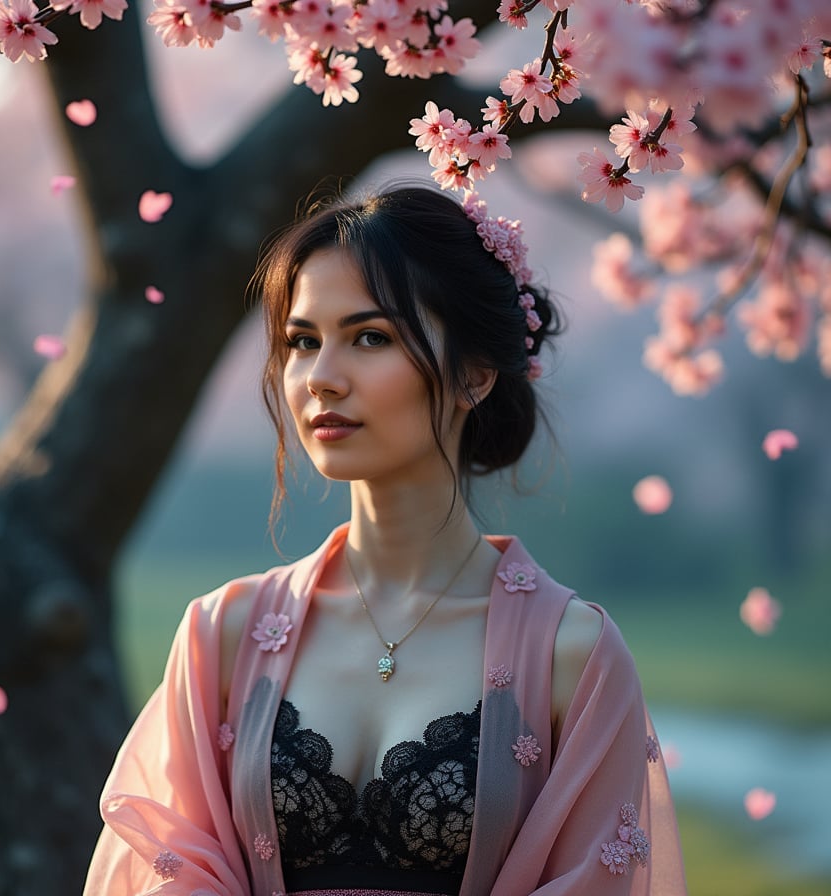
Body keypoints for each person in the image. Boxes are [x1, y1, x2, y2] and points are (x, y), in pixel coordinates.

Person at [83, 185, 687, 895]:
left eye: (370, 337)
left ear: (474, 374)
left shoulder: (571, 655)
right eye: (303, 342)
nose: (322, 380)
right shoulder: (225, 633)